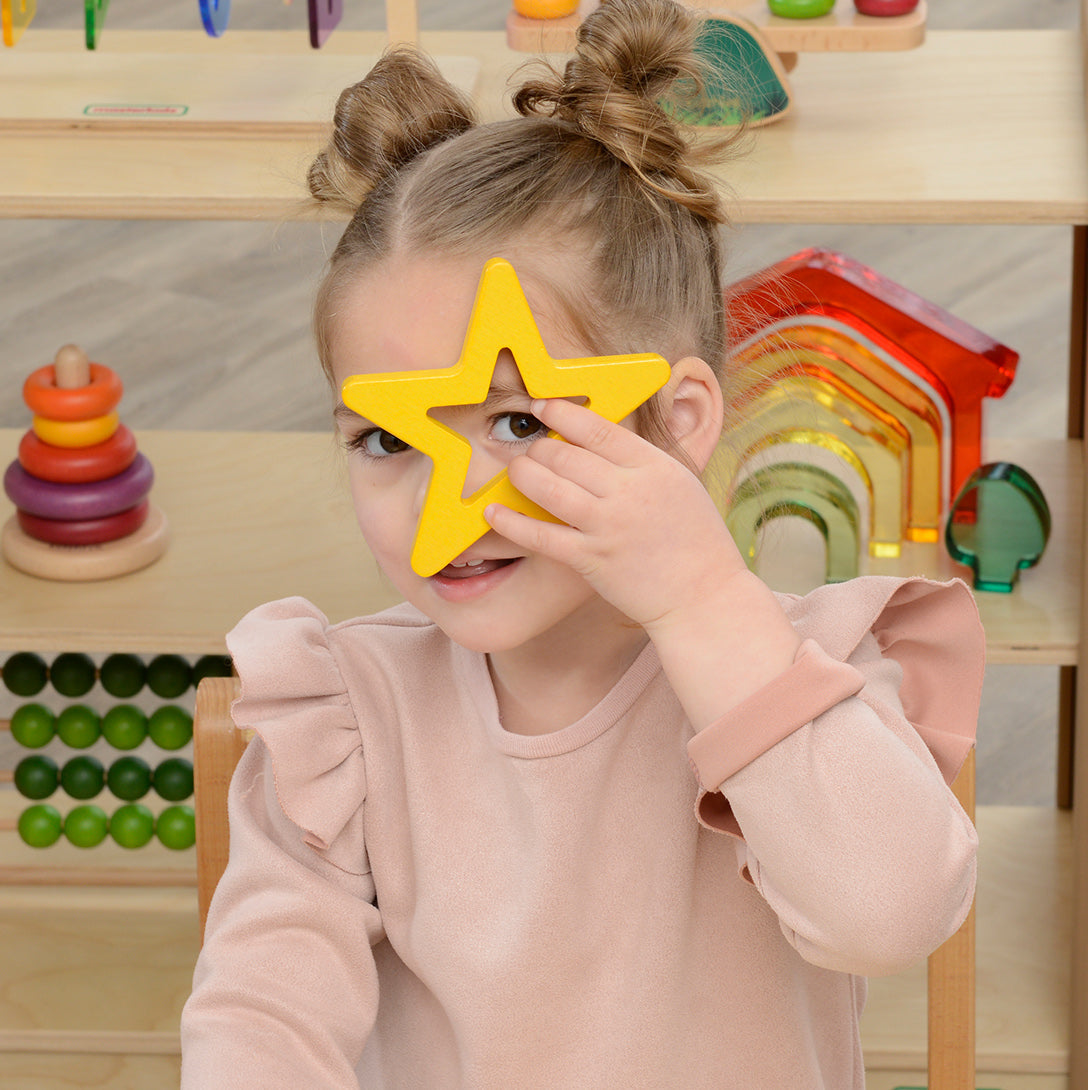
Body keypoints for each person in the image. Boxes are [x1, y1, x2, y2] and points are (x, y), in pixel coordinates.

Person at [181, 1, 983, 1086]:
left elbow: (888, 916)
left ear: (675, 423)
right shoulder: (346, 722)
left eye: (517, 423)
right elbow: (259, 1017)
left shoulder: (814, 684)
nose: (443, 504)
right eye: (384, 438)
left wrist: (701, 594)